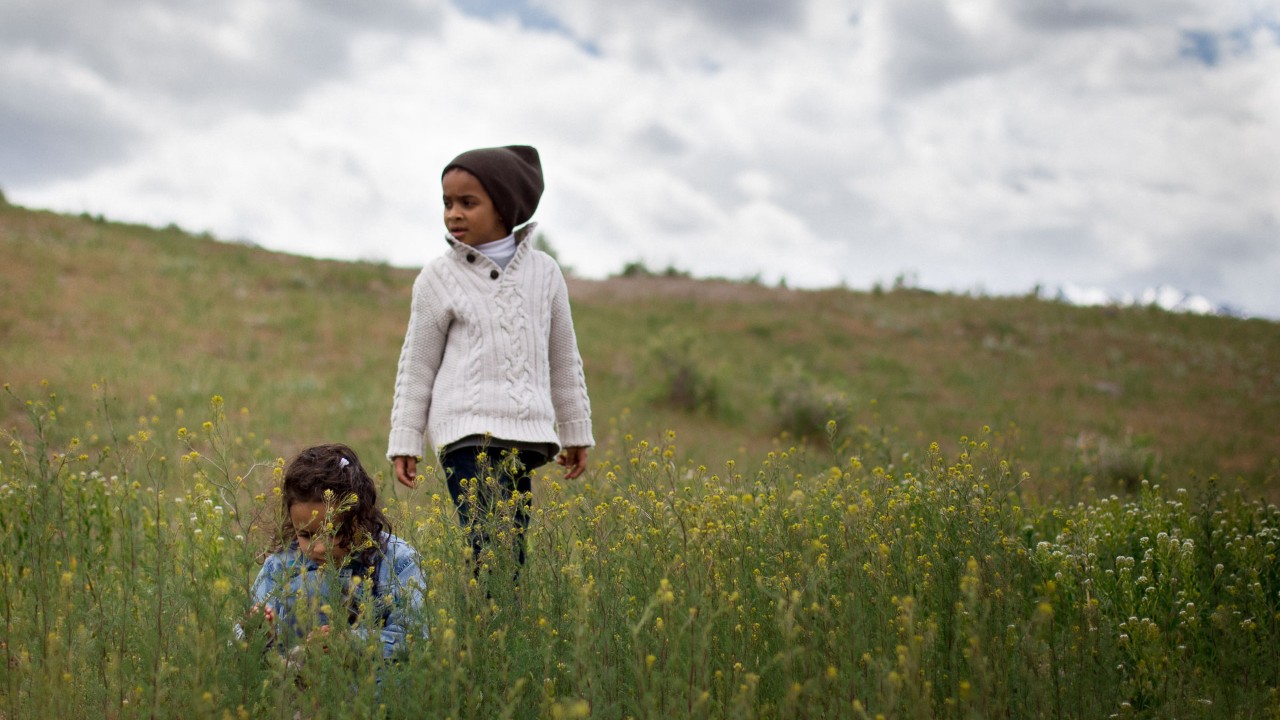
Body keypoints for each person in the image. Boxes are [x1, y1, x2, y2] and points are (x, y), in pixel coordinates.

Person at [386, 144, 594, 578]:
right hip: (465, 431)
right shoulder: (437, 278)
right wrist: (406, 439)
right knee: (486, 539)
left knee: (511, 542)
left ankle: (497, 625)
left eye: (467, 202)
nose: (453, 214)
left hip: (526, 434)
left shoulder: (545, 273)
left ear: (503, 206)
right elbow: (417, 366)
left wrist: (576, 430)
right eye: (447, 203)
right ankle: (488, 621)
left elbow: (564, 357)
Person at [249, 444, 426, 660]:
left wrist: (351, 643)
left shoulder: (398, 562)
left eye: (335, 532)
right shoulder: (280, 567)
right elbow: (247, 649)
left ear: (363, 516)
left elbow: (417, 638)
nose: (321, 548)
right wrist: (258, 633)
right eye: (306, 535)